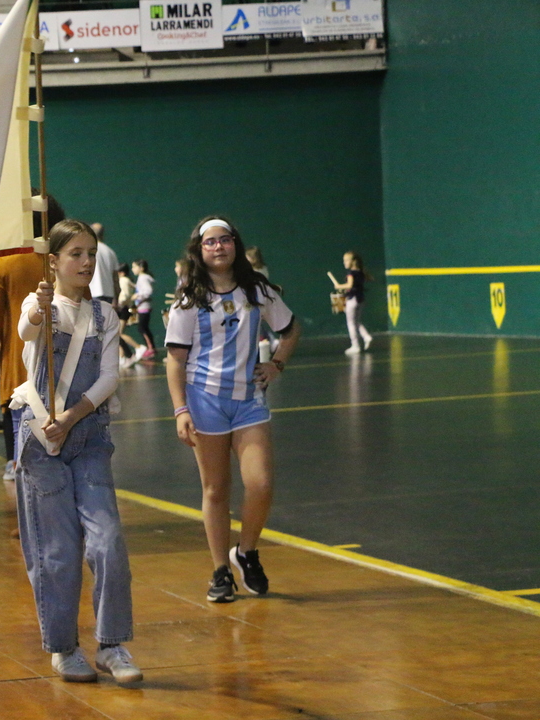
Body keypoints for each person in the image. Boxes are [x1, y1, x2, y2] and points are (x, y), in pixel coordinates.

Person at [11, 219, 141, 685]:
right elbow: (26, 331)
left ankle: (112, 644)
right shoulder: (39, 305)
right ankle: (63, 648)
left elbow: (108, 378)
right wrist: (40, 309)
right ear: (53, 262)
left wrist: (71, 418)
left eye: (91, 253)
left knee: (108, 541)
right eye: (76, 254)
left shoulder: (106, 316)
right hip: (39, 440)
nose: (86, 262)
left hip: (88, 437)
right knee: (57, 552)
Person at [164, 216, 300, 603]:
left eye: (225, 240)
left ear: (235, 244)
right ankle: (220, 571)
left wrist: (276, 364)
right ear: (199, 250)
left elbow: (290, 329)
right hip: (204, 400)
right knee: (216, 489)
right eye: (210, 242)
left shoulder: (257, 289)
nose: (219, 247)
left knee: (260, 484)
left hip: (248, 400)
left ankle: (246, 551)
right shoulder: (189, 298)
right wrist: (180, 409)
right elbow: (174, 359)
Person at [0, 193, 66, 481]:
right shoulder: (65, 257)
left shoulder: (3, 260)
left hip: (20, 368)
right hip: (66, 368)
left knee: (25, 462)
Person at [330, 251, 374, 355]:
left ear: (353, 261)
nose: (344, 263)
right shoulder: (361, 272)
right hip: (360, 300)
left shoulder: (351, 273)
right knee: (357, 321)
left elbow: (349, 285)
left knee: (350, 323)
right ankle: (366, 337)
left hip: (352, 300)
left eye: (346, 260)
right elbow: (358, 284)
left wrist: (339, 286)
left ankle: (355, 346)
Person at [88, 223, 119, 305]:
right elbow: (115, 278)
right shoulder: (111, 252)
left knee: (93, 314)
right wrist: (116, 298)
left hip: (92, 293)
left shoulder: (89, 250)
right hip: (109, 295)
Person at [131, 260, 156, 361]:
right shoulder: (142, 278)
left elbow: (148, 291)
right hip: (142, 306)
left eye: (134, 267)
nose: (133, 269)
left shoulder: (143, 278)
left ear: (141, 268)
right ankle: (151, 348)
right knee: (143, 328)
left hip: (144, 306)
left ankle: (151, 349)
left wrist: (137, 295)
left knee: (142, 328)